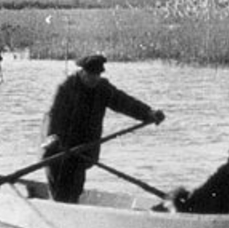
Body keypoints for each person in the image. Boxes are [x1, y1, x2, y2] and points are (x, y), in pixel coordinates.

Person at [41, 54, 165, 202]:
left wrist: (148, 113)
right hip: (58, 149)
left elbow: (124, 102)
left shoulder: (102, 88)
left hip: (82, 149)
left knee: (76, 189)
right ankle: (58, 208)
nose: (94, 78)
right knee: (60, 191)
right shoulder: (66, 88)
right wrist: (52, 137)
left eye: (97, 75)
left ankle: (71, 207)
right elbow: (53, 116)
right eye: (90, 75)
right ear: (82, 72)